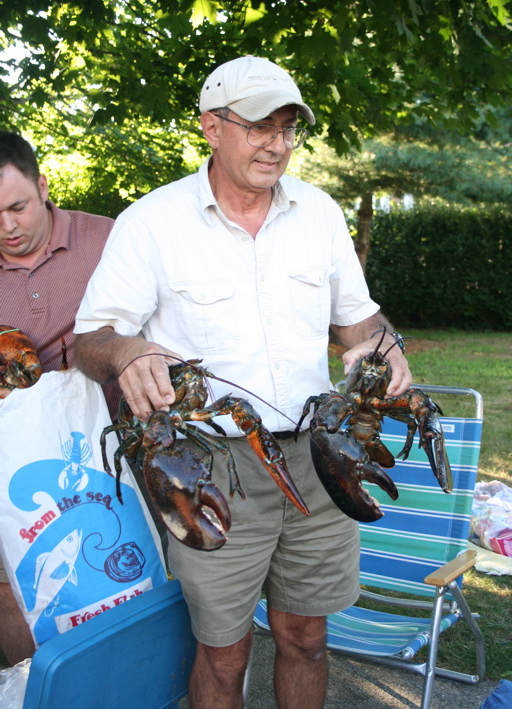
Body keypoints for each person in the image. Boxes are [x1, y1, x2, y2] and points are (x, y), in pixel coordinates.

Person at [74, 55, 412, 709]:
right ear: (212, 126)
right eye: (260, 127)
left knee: (307, 636)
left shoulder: (318, 213)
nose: (277, 145)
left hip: (319, 456)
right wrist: (128, 351)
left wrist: (384, 346)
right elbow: (90, 341)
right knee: (223, 654)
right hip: (207, 467)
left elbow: (360, 321)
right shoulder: (153, 221)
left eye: (288, 129)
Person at [0, 131, 119, 666]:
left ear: (44, 187)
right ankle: (31, 686)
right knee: (10, 583)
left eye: (18, 208)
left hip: (111, 455)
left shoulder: (109, 238)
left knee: (116, 570)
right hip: (12, 461)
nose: (7, 227)